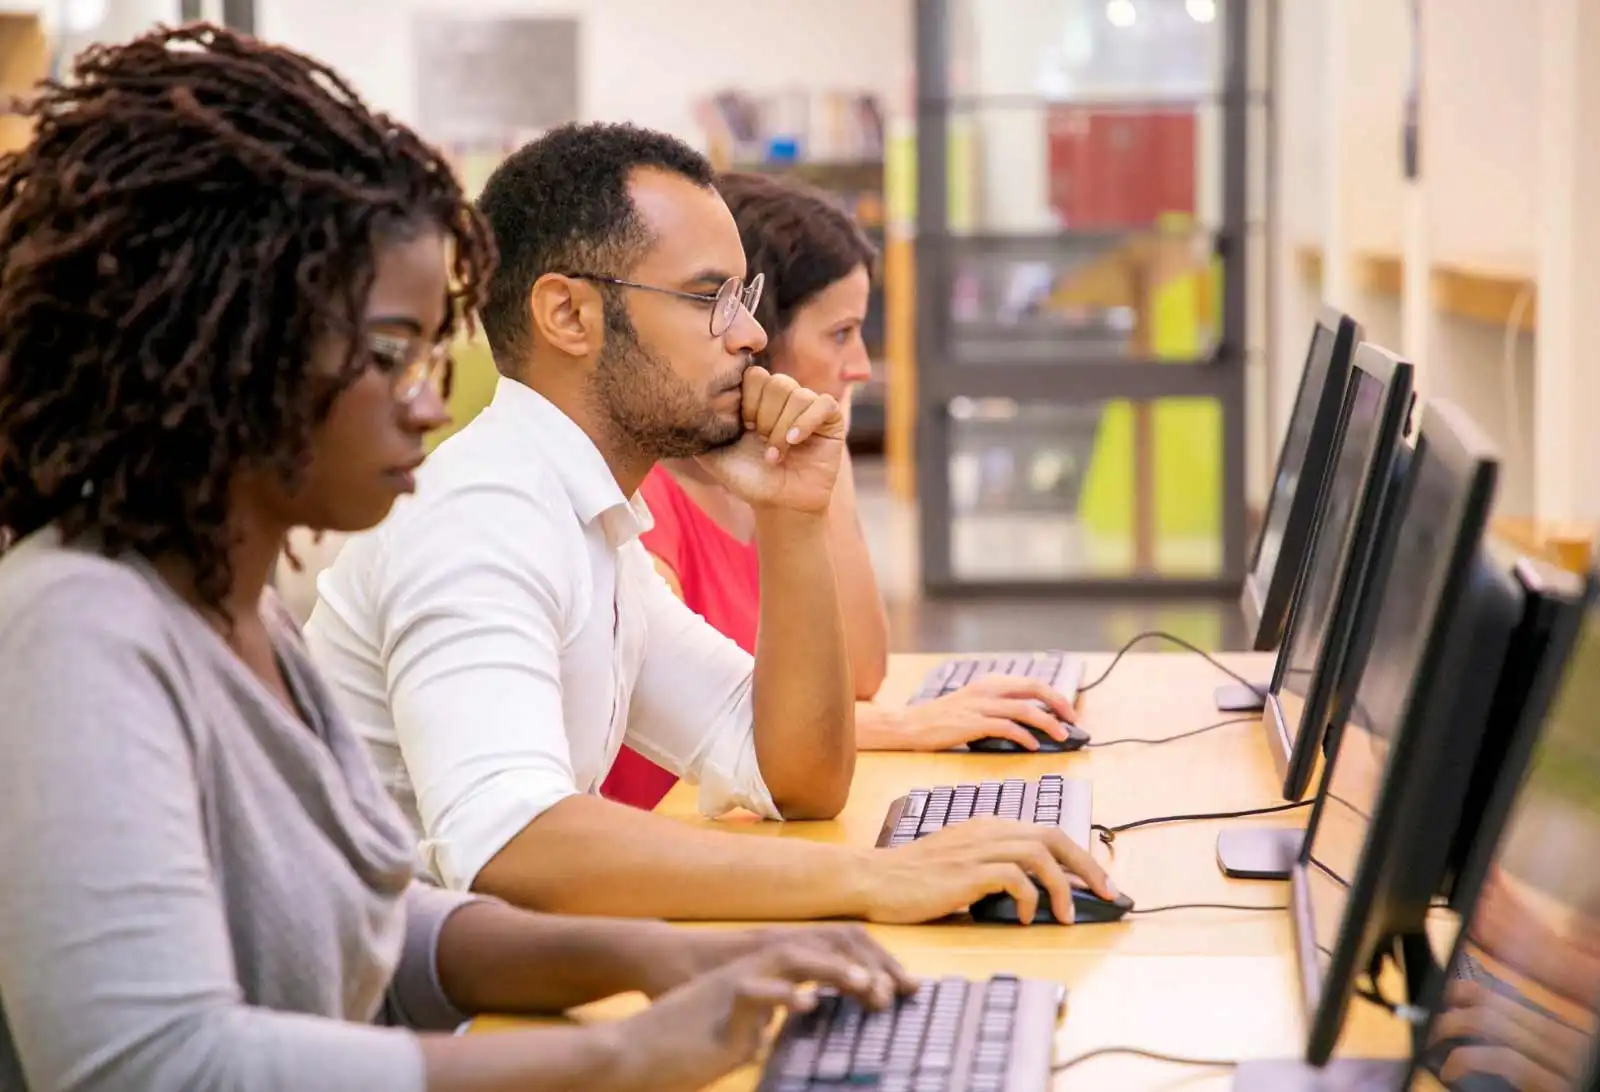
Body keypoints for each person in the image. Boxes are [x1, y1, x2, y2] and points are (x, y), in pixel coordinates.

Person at [0, 26, 914, 1092]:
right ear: (229, 347)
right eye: (390, 354)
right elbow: (155, 1066)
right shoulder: (78, 629)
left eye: (430, 354)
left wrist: (664, 954)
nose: (429, 401)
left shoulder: (240, 622)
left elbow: (378, 928)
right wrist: (620, 1048)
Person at [302, 120, 1119, 923]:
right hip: (412, 1031)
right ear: (569, 316)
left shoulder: (592, 523)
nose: (753, 336)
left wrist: (792, 519)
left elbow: (796, 773)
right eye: (709, 300)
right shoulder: (483, 516)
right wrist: (873, 879)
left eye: (745, 299)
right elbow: (510, 846)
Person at [600, 170, 1082, 810]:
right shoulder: (648, 512)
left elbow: (859, 673)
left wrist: (828, 464)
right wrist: (912, 727)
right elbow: (725, 737)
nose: (859, 364)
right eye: (839, 333)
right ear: (759, 339)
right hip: (682, 846)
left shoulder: (756, 496)